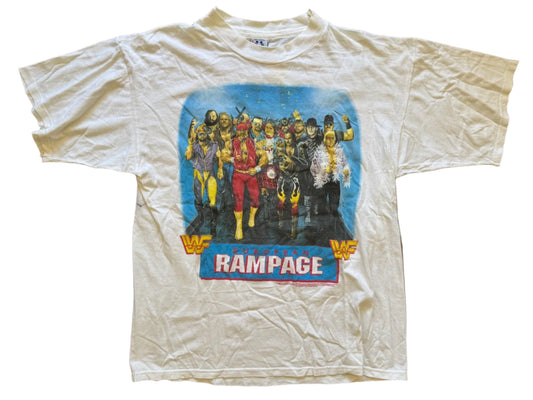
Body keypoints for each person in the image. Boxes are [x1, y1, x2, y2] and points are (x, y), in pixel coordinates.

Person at [185, 122, 223, 236]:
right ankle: (200, 218)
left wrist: (220, 169)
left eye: (204, 133)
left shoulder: (214, 145)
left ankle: (213, 224)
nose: (202, 136)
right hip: (198, 174)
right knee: (199, 200)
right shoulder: (194, 146)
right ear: (197, 134)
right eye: (200, 134)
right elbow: (188, 157)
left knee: (213, 201)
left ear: (207, 134)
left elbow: (219, 158)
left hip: (210, 174)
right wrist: (190, 145)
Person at [231, 122, 267, 240]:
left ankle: (251, 217)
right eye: (239, 130)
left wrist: (257, 168)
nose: (241, 133)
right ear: (236, 131)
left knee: (255, 198)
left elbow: (265, 157)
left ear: (247, 131)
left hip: (251, 174)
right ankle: (238, 226)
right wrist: (232, 159)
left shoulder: (254, 143)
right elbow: (223, 155)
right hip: (238, 173)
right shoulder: (231, 143)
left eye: (244, 130)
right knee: (238, 199)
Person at [275, 131, 307, 239]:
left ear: (293, 139)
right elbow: (275, 162)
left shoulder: (298, 150)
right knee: (281, 202)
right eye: (286, 138)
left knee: (294, 204)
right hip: (283, 178)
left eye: (289, 138)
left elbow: (305, 164)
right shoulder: (281, 149)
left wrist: (293, 163)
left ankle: (294, 229)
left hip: (294, 178)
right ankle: (280, 222)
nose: (288, 141)